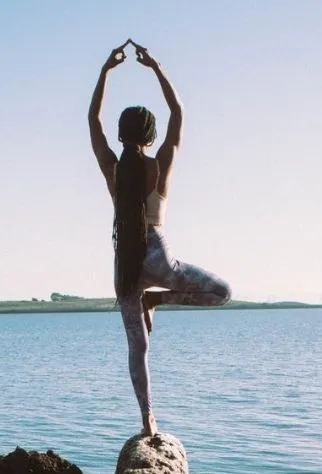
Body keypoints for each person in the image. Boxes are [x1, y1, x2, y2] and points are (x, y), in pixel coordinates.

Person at [88, 40, 232, 436]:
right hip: (158, 256)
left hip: (126, 265)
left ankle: (147, 421)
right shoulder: (160, 165)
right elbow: (178, 114)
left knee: (138, 349)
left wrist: (105, 71)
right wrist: (156, 67)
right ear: (150, 137)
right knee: (222, 292)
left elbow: (92, 122)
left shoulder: (113, 170)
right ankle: (159, 298)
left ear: (121, 135)